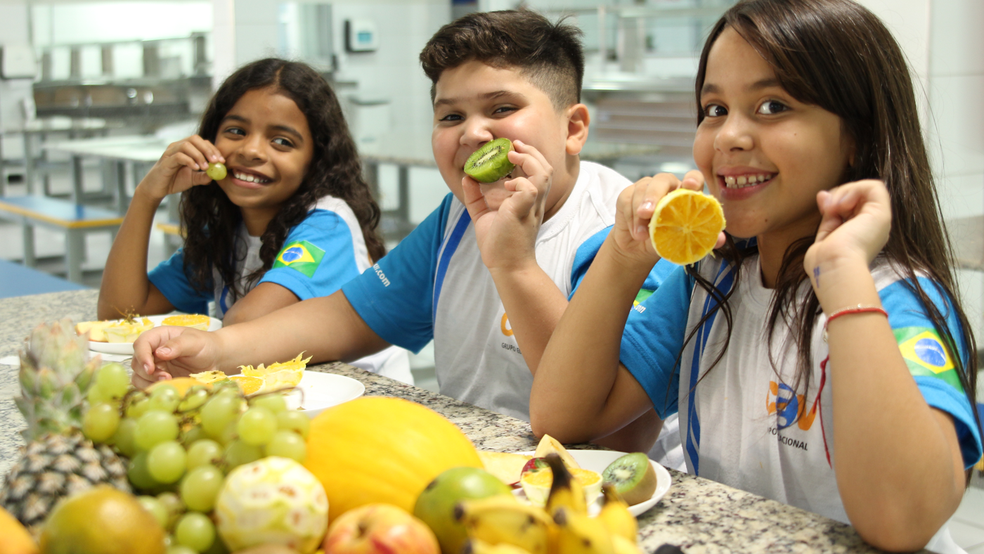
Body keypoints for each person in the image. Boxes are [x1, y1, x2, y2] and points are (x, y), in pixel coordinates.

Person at [529, 0, 982, 552]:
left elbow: (901, 522)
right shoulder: (710, 279)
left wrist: (840, 275)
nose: (728, 136)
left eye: (772, 105)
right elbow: (563, 416)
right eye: (714, 108)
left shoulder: (894, 299)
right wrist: (624, 257)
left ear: (857, 137)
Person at [130, 10, 675, 449]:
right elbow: (345, 316)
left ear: (573, 127)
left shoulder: (623, 234)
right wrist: (214, 349)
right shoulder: (456, 219)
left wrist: (513, 262)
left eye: (502, 107)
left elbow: (611, 434)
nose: (473, 133)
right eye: (450, 116)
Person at [100, 58, 410, 383]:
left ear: (316, 162)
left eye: (282, 141)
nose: (251, 150)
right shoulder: (224, 230)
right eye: (236, 131)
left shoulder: (327, 225)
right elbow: (118, 315)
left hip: (365, 403)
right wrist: (147, 195)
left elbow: (244, 328)